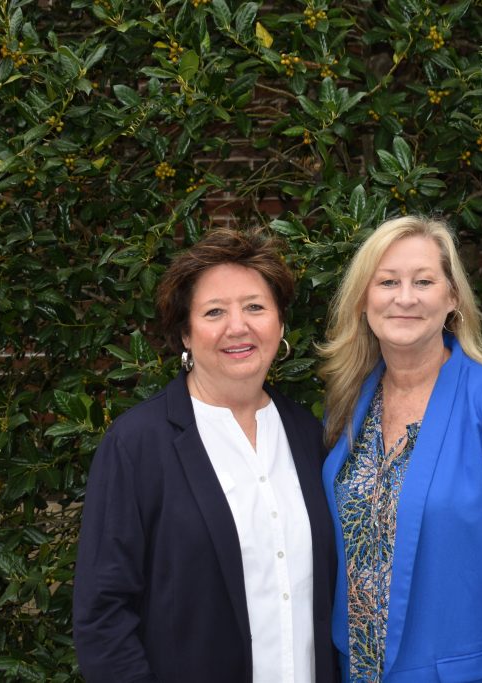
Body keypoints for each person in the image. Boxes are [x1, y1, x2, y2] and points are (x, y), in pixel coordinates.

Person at [319, 216, 482, 683]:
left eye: (424, 281)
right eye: (388, 282)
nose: (405, 297)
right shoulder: (349, 407)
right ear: (363, 299)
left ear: (452, 298)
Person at [74, 227, 336, 683]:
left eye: (255, 307)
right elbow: (103, 615)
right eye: (215, 312)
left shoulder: (309, 436)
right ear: (186, 335)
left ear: (279, 323)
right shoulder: (137, 446)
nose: (239, 326)